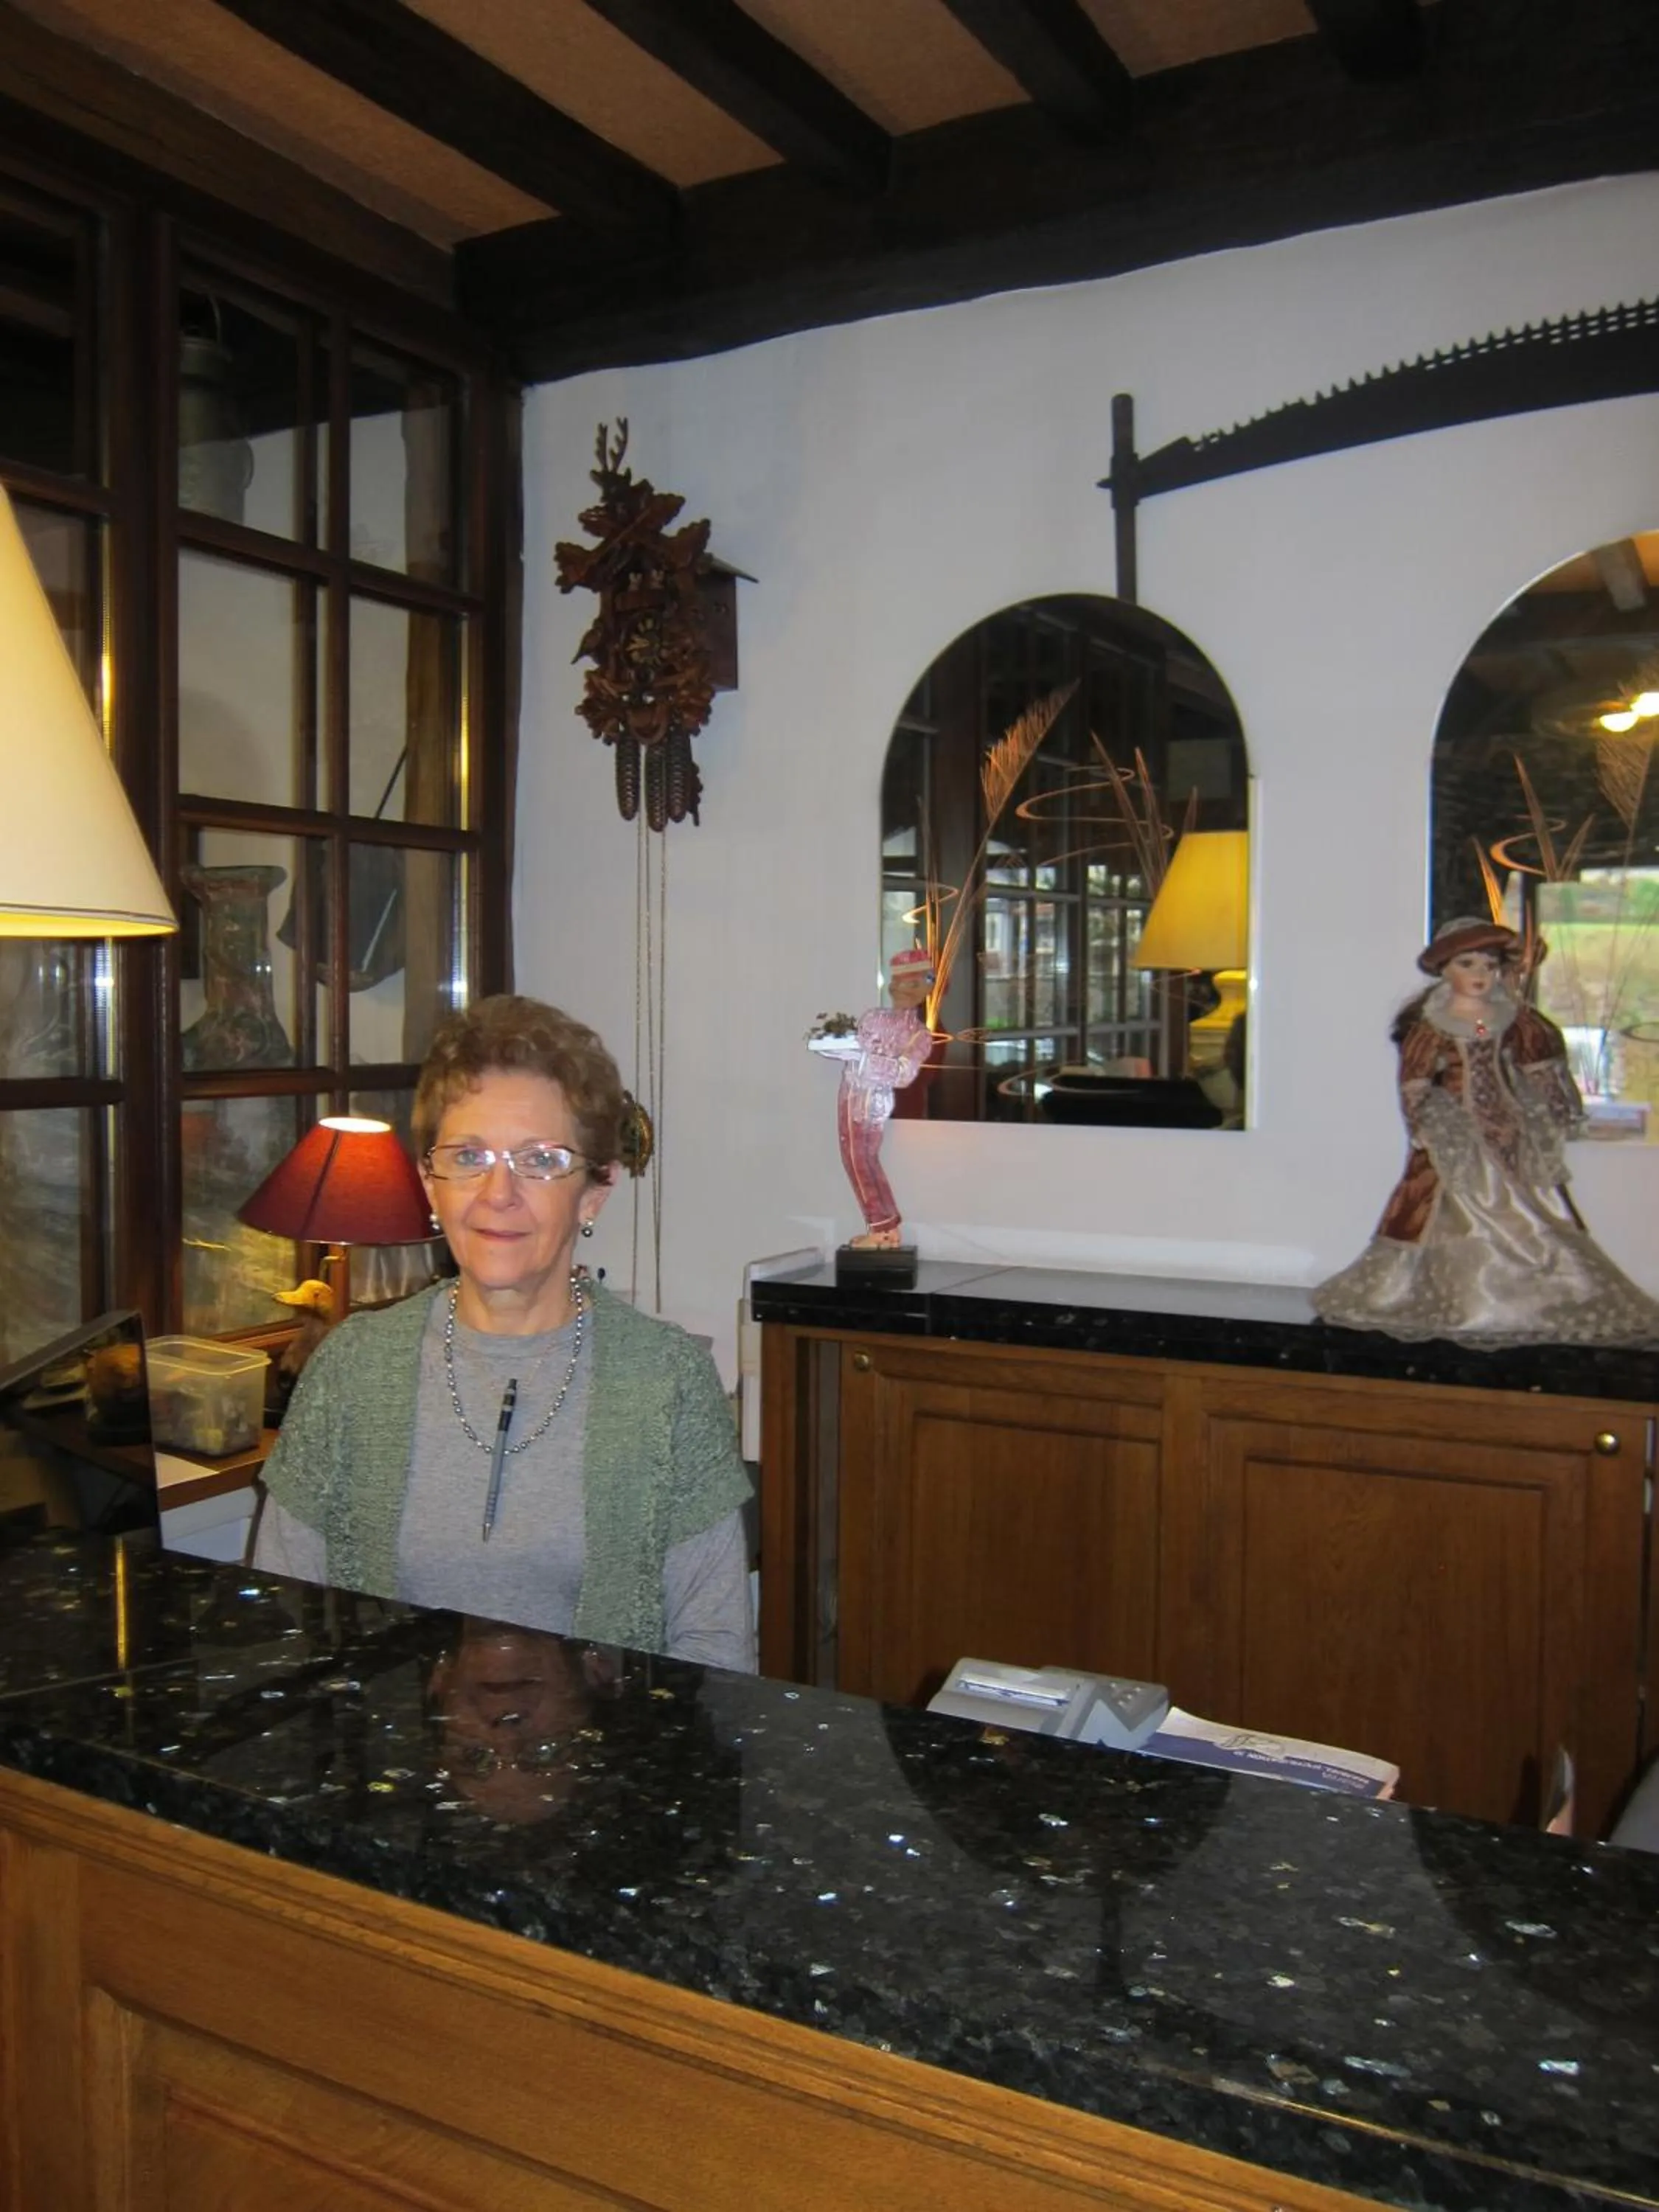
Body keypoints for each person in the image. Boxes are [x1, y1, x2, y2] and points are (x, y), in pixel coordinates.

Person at [254, 995, 755, 1670]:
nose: (498, 1194)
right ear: (431, 1185)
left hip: (609, 1766)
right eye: (468, 1156)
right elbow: (289, 1627)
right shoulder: (350, 1371)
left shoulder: (667, 1383)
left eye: (540, 1160)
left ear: (594, 1192)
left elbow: (716, 1653)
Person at [1312, 917, 1659, 1346]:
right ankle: (1460, 1301)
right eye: (1468, 963)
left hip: (1508, 1131)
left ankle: (1531, 1302)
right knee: (1444, 1212)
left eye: (1489, 966)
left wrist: (1556, 1104)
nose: (1479, 975)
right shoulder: (1433, 1026)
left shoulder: (1512, 1020)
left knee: (1532, 1211)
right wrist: (1421, 1121)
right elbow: (1415, 1081)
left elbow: (1539, 1069)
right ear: (1445, 970)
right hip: (1454, 1135)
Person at [815, 947, 937, 1248]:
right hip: (851, 1093)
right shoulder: (874, 1018)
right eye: (899, 983)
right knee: (855, 1158)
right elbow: (852, 1048)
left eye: (911, 984)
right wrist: (840, 1047)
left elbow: (904, 1074)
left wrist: (865, 1059)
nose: (902, 990)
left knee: (861, 1159)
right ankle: (885, 1226)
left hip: (874, 1100)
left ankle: (882, 1227)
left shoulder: (919, 1035)